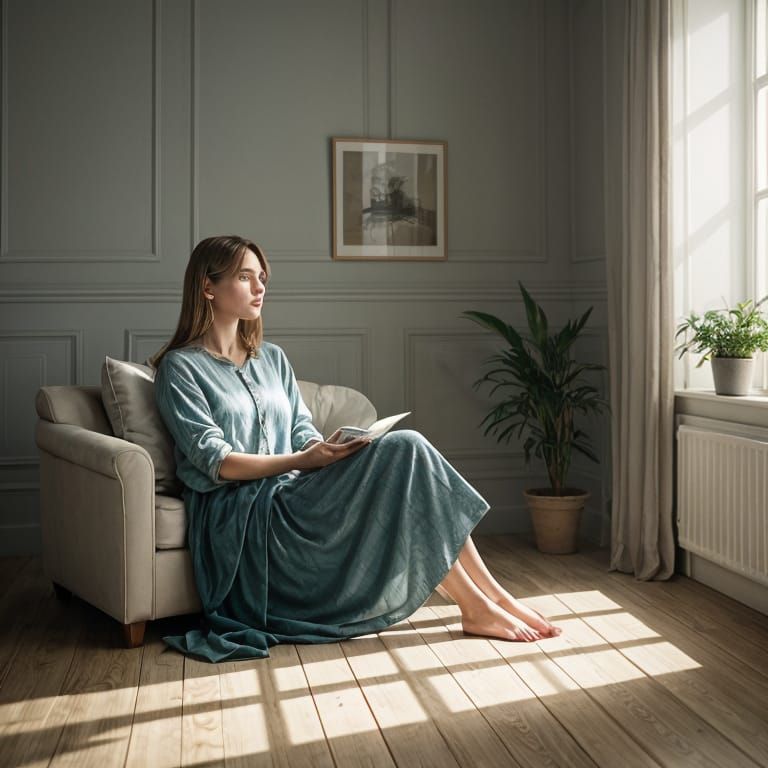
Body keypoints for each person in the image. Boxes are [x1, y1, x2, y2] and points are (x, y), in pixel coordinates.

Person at [150, 235, 561, 663]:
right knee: (406, 451)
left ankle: (493, 597)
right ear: (208, 287)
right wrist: (303, 460)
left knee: (407, 449)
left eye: (262, 278)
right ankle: (477, 606)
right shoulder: (180, 368)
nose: (260, 288)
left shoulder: (271, 358)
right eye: (245, 277)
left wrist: (325, 449)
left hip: (295, 493)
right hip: (243, 518)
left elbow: (300, 428)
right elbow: (215, 461)